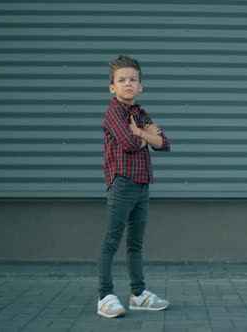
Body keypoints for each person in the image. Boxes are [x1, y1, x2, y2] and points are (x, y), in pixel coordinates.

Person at [97, 55, 171, 318]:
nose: (127, 83)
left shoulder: (139, 113)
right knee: (111, 241)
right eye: (121, 80)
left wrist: (140, 133)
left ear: (140, 85)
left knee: (135, 244)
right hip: (122, 183)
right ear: (112, 87)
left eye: (132, 79)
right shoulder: (113, 112)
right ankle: (105, 296)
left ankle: (138, 294)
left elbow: (164, 143)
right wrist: (145, 136)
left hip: (142, 184)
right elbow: (128, 144)